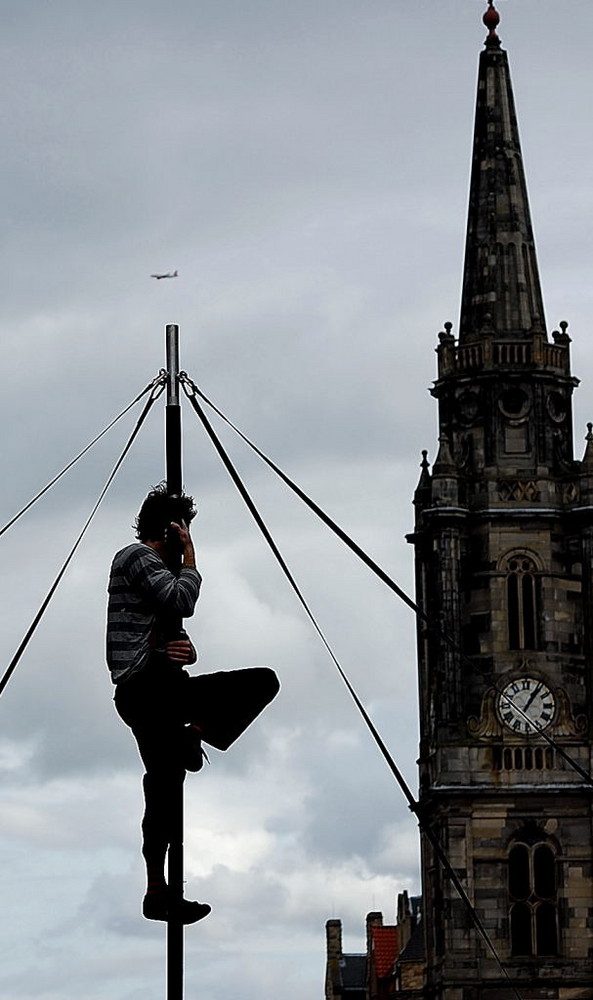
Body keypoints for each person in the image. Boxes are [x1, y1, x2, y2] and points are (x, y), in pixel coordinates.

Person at [106, 483, 279, 924]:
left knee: (165, 784)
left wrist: (186, 650)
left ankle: (194, 737)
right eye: (182, 531)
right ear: (170, 530)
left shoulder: (147, 569)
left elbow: (168, 629)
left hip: (160, 686)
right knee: (163, 787)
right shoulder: (138, 557)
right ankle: (157, 889)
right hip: (147, 691)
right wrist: (190, 556)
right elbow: (183, 598)